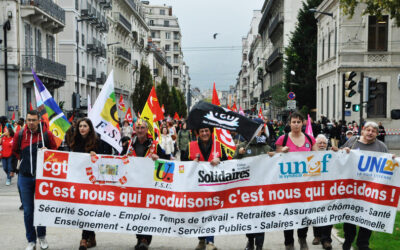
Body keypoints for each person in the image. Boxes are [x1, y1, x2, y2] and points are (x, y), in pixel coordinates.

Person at [337, 121, 390, 250]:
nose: (370, 133)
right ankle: (348, 240)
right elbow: (339, 158)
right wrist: (343, 151)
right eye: (368, 130)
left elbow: (387, 165)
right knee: (349, 215)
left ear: (377, 133)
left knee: (368, 215)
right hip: (352, 187)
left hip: (371, 188)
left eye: (373, 131)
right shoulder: (352, 141)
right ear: (363, 131)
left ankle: (363, 243)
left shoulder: (381, 146)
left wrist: (393, 159)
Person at [12, 110, 57, 250]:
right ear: (26, 121)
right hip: (24, 177)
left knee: (41, 209)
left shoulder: (46, 135)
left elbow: (56, 153)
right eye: (28, 120)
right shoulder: (20, 134)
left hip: (41, 178)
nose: (30, 123)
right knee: (28, 211)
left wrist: (48, 153)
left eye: (33, 120)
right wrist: (24, 162)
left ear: (39, 121)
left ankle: (42, 237)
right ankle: (31, 240)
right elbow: (15, 151)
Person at [68, 118, 112, 250]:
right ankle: (90, 237)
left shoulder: (97, 142)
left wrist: (96, 155)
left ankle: (84, 238)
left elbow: (106, 158)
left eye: (85, 126)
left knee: (89, 209)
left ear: (90, 128)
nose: (82, 128)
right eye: (80, 126)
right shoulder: (75, 142)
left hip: (93, 182)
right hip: (80, 181)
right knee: (83, 210)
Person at [275, 112, 317, 250]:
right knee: (288, 214)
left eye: (299, 122)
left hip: (305, 185)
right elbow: (274, 159)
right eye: (294, 122)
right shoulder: (283, 139)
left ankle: (302, 238)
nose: (296, 124)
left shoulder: (310, 140)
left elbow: (319, 158)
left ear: (303, 123)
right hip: (287, 185)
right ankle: (289, 242)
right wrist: (281, 151)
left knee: (304, 213)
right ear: (289, 123)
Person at [184, 125, 228, 250]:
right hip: (196, 187)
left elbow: (228, 162)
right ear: (198, 133)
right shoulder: (191, 145)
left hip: (214, 187)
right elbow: (182, 162)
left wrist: (219, 159)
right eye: (202, 131)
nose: (204, 133)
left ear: (210, 131)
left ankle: (210, 241)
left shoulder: (218, 145)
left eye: (206, 130)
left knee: (211, 213)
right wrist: (192, 164)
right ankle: (201, 240)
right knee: (199, 214)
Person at [127, 119, 168, 250]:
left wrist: (158, 158)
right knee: (136, 212)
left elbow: (167, 160)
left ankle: (145, 239)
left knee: (148, 212)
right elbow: (120, 158)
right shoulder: (129, 144)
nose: (140, 130)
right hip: (134, 184)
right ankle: (139, 238)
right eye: (138, 128)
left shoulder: (155, 145)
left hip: (150, 184)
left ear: (147, 130)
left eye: (142, 128)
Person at [234, 121, 274, 250]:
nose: (256, 131)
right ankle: (250, 241)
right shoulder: (243, 146)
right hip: (247, 191)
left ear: (262, 131)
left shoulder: (266, 148)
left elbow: (274, 167)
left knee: (261, 218)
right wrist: (239, 154)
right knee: (249, 219)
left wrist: (273, 157)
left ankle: (259, 245)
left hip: (262, 191)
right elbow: (233, 166)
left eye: (259, 129)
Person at [312, 134, 333, 250]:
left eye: (324, 143)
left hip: (329, 189)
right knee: (316, 213)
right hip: (314, 189)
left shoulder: (332, 155)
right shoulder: (310, 155)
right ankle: (317, 236)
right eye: (319, 143)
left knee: (328, 214)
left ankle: (326, 240)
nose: (321, 145)